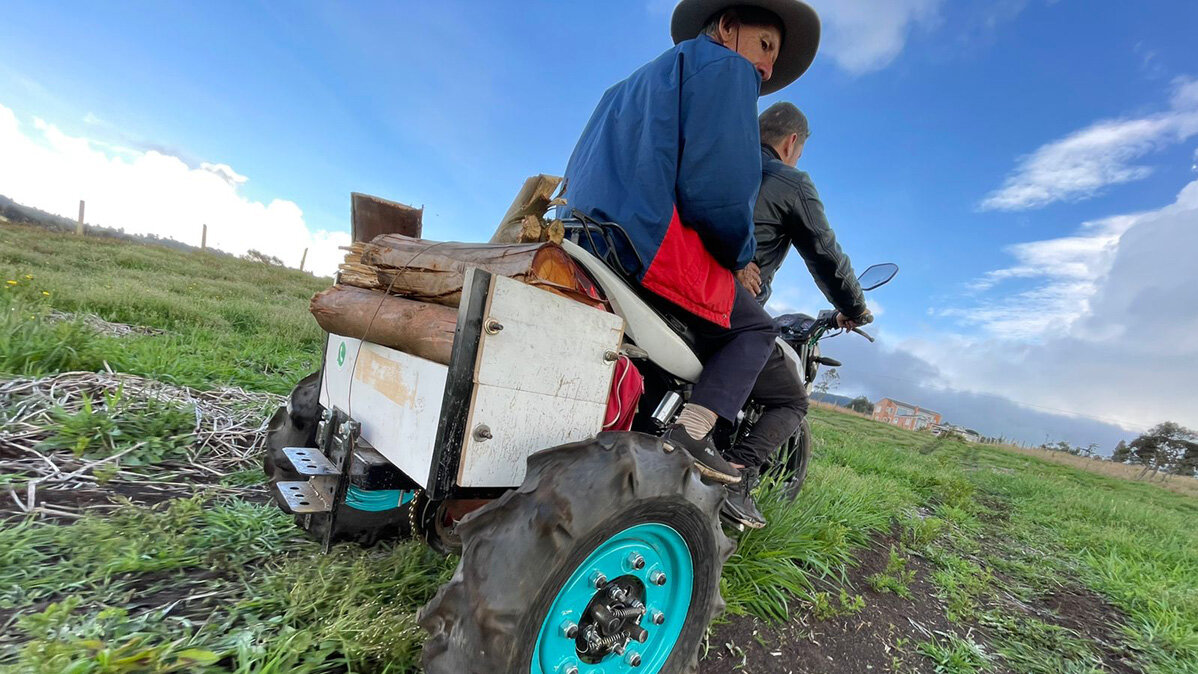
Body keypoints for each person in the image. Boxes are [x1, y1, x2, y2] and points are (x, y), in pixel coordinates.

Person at [561, 0, 822, 485]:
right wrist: (741, 258)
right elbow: (717, 190)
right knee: (756, 331)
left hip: (587, 236)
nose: (765, 68)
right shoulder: (726, 69)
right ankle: (693, 432)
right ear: (727, 26)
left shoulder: (621, 89)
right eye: (765, 45)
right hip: (645, 247)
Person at [719, 101, 872, 528]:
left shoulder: (718, 162)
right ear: (791, 143)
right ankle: (732, 476)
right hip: (720, 301)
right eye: (800, 150)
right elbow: (826, 255)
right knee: (791, 400)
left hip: (665, 280)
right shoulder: (790, 181)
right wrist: (855, 308)